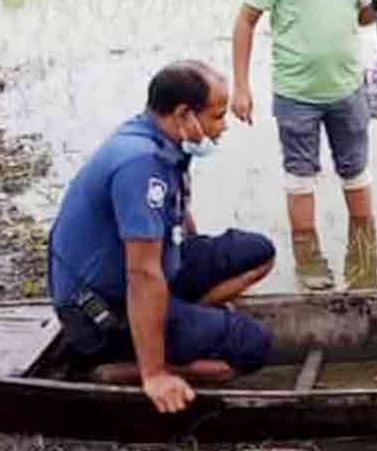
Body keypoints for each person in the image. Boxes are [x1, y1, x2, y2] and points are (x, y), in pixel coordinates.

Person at [47, 61, 275, 414]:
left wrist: (194, 268)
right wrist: (154, 374)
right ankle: (130, 368)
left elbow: (176, 211)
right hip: (100, 308)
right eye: (216, 116)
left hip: (147, 270)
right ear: (184, 114)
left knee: (259, 252)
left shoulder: (159, 136)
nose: (223, 127)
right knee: (250, 349)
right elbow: (141, 273)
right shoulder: (139, 165)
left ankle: (181, 316)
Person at [231, 0, 377, 290]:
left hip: (347, 88)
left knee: (356, 172)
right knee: (300, 177)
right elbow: (247, 20)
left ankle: (364, 266)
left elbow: (362, 16)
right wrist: (241, 86)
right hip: (296, 93)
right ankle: (312, 273)